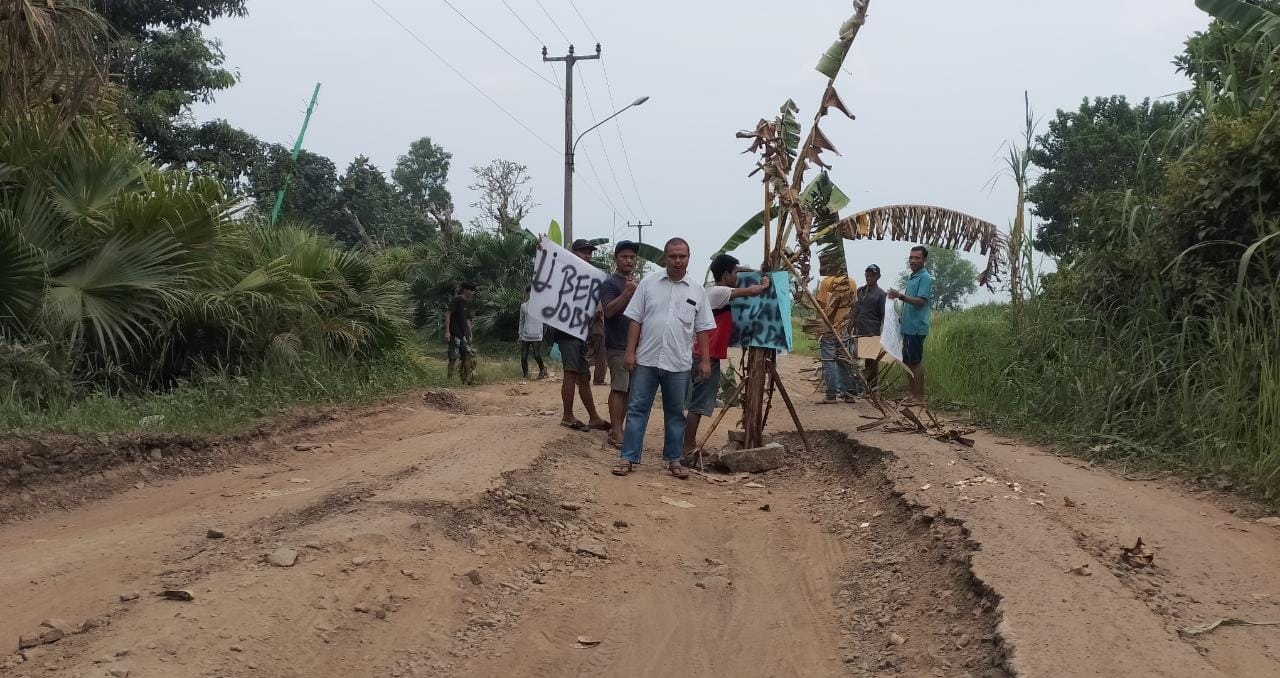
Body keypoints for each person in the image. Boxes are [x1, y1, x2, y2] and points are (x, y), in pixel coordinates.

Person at [612, 238, 714, 480]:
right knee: (637, 409)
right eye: (673, 256)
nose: (677, 261)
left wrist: (705, 361)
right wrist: (629, 352)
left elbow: (703, 329)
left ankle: (674, 460)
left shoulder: (697, 290)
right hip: (646, 360)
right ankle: (628, 458)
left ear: (689, 257)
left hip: (678, 362)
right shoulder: (648, 284)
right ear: (665, 258)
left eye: (682, 256)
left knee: (676, 412)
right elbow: (635, 319)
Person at [682, 253, 771, 458]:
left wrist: (754, 270)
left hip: (703, 355)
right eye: (734, 273)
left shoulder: (715, 290)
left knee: (696, 402)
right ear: (725, 274)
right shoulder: (720, 291)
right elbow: (753, 290)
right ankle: (687, 446)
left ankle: (687, 442)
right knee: (698, 404)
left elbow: (739, 271)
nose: (737, 277)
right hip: (705, 356)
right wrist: (764, 282)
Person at [554, 239, 611, 432]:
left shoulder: (588, 278)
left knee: (584, 375)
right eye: (583, 252)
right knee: (570, 372)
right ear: (573, 253)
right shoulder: (563, 272)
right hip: (566, 329)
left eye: (589, 252)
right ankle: (567, 416)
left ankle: (594, 417)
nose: (587, 255)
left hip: (580, 332)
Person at [597, 241, 640, 448]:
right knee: (619, 388)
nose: (629, 261)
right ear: (616, 258)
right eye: (624, 257)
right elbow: (609, 311)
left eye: (632, 257)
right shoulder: (610, 284)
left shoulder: (636, 284)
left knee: (629, 390)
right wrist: (627, 293)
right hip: (617, 345)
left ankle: (618, 428)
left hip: (635, 347)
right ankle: (615, 431)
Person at [888, 246, 933, 406]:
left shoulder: (925, 277)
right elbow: (911, 304)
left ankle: (919, 398)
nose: (913, 261)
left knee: (915, 362)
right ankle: (913, 395)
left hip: (916, 328)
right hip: (907, 327)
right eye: (911, 257)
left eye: (917, 258)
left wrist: (900, 296)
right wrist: (901, 317)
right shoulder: (913, 277)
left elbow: (921, 301)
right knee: (907, 361)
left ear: (924, 260)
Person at [814, 273, 857, 403]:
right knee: (845, 361)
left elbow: (820, 306)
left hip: (829, 327)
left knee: (829, 362)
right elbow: (854, 306)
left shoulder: (826, 282)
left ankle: (831, 395)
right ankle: (849, 393)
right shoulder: (851, 282)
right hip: (845, 329)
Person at [851, 264, 886, 392]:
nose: (869, 277)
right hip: (857, 330)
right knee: (853, 359)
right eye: (867, 274)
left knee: (871, 362)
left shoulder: (881, 294)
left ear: (878, 277)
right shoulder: (859, 291)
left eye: (872, 275)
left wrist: (884, 335)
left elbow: (884, 316)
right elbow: (854, 310)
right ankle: (855, 387)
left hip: (871, 331)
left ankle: (871, 389)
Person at [444, 282, 477, 384]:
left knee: (467, 356)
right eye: (471, 290)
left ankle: (467, 380)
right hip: (455, 333)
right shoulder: (456, 300)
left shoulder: (468, 302)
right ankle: (449, 380)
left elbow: (468, 320)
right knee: (453, 357)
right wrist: (447, 331)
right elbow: (448, 314)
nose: (472, 292)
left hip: (464, 335)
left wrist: (470, 334)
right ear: (465, 290)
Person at [518, 286, 548, 380]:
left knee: (536, 354)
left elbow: (545, 319)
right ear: (527, 294)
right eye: (530, 292)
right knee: (523, 356)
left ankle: (542, 369)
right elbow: (521, 321)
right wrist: (520, 334)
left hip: (537, 335)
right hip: (526, 335)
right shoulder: (523, 306)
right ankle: (525, 375)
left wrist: (543, 333)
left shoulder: (540, 306)